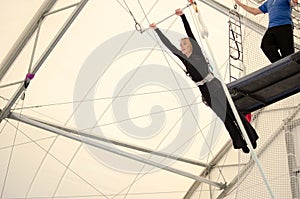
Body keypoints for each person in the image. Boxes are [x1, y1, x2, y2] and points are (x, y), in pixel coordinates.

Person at [150, 9, 259, 153]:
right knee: (225, 119)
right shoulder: (184, 59)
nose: (181, 46)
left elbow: (190, 33)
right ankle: (240, 143)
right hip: (205, 91)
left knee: (233, 113)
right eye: (181, 45)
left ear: (190, 46)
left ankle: (250, 137)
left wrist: (182, 17)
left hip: (214, 85)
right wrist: (156, 30)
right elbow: (169, 45)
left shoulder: (197, 53)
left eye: (184, 44)